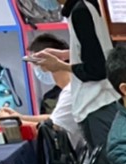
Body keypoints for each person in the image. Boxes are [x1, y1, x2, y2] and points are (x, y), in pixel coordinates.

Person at [33, 0, 119, 150]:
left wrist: (60, 65)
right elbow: (98, 50)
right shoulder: (85, 6)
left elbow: (96, 70)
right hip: (102, 102)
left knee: (106, 161)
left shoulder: (80, 12)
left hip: (96, 103)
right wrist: (66, 54)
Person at [0, 33, 84, 147]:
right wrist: (20, 117)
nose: (36, 69)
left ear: (45, 64)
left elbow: (51, 130)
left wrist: (10, 123)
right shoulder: (70, 88)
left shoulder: (71, 92)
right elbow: (52, 118)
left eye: (35, 63)